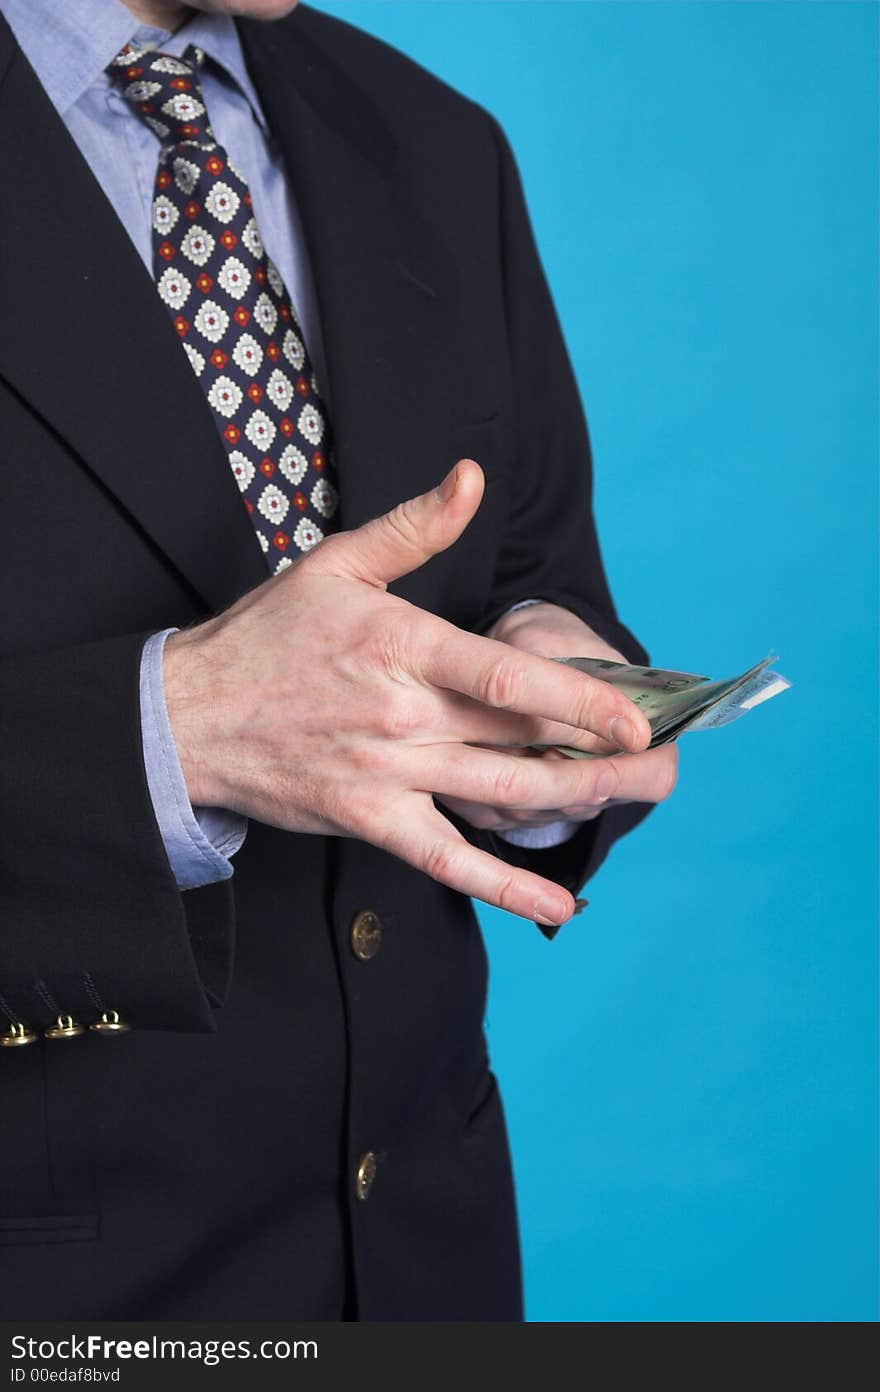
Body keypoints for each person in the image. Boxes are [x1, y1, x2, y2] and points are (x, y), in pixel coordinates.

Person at [0, 0, 677, 1320]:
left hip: (424, 1262)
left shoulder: (436, 143)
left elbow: (537, 568)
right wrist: (176, 729)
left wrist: (539, 671)